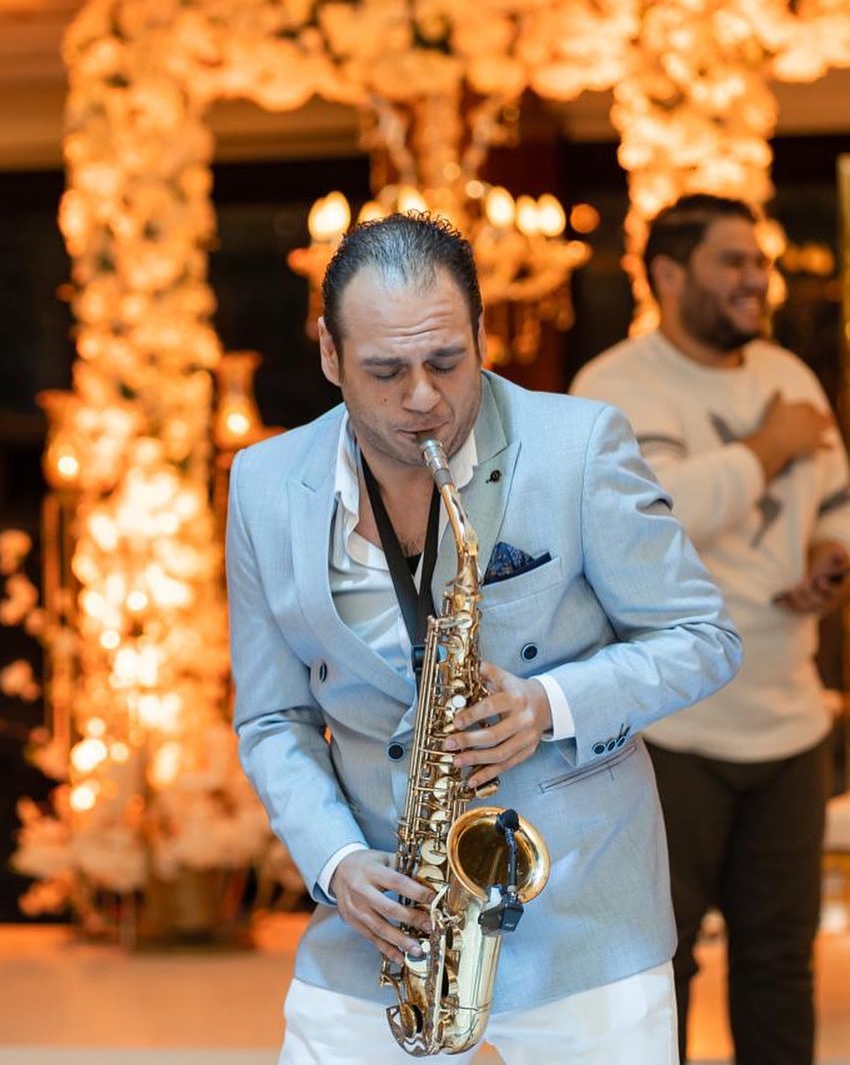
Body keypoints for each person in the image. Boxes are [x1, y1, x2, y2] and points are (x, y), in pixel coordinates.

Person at [226, 212, 741, 1065]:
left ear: (481, 336)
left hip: (583, 919)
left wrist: (549, 704)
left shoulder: (580, 447)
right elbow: (272, 717)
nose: (422, 397)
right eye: (385, 370)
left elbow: (702, 635)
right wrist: (338, 860)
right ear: (330, 353)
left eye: (446, 361)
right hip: (382, 929)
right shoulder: (263, 483)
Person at [571, 193, 850, 1065]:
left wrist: (832, 556)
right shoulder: (613, 387)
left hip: (790, 720)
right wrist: (770, 446)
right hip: (666, 729)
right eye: (733, 261)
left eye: (760, 261)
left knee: (780, 965)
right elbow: (657, 519)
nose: (757, 278)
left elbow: (837, 502)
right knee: (659, 966)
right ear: (666, 273)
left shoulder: (790, 378)